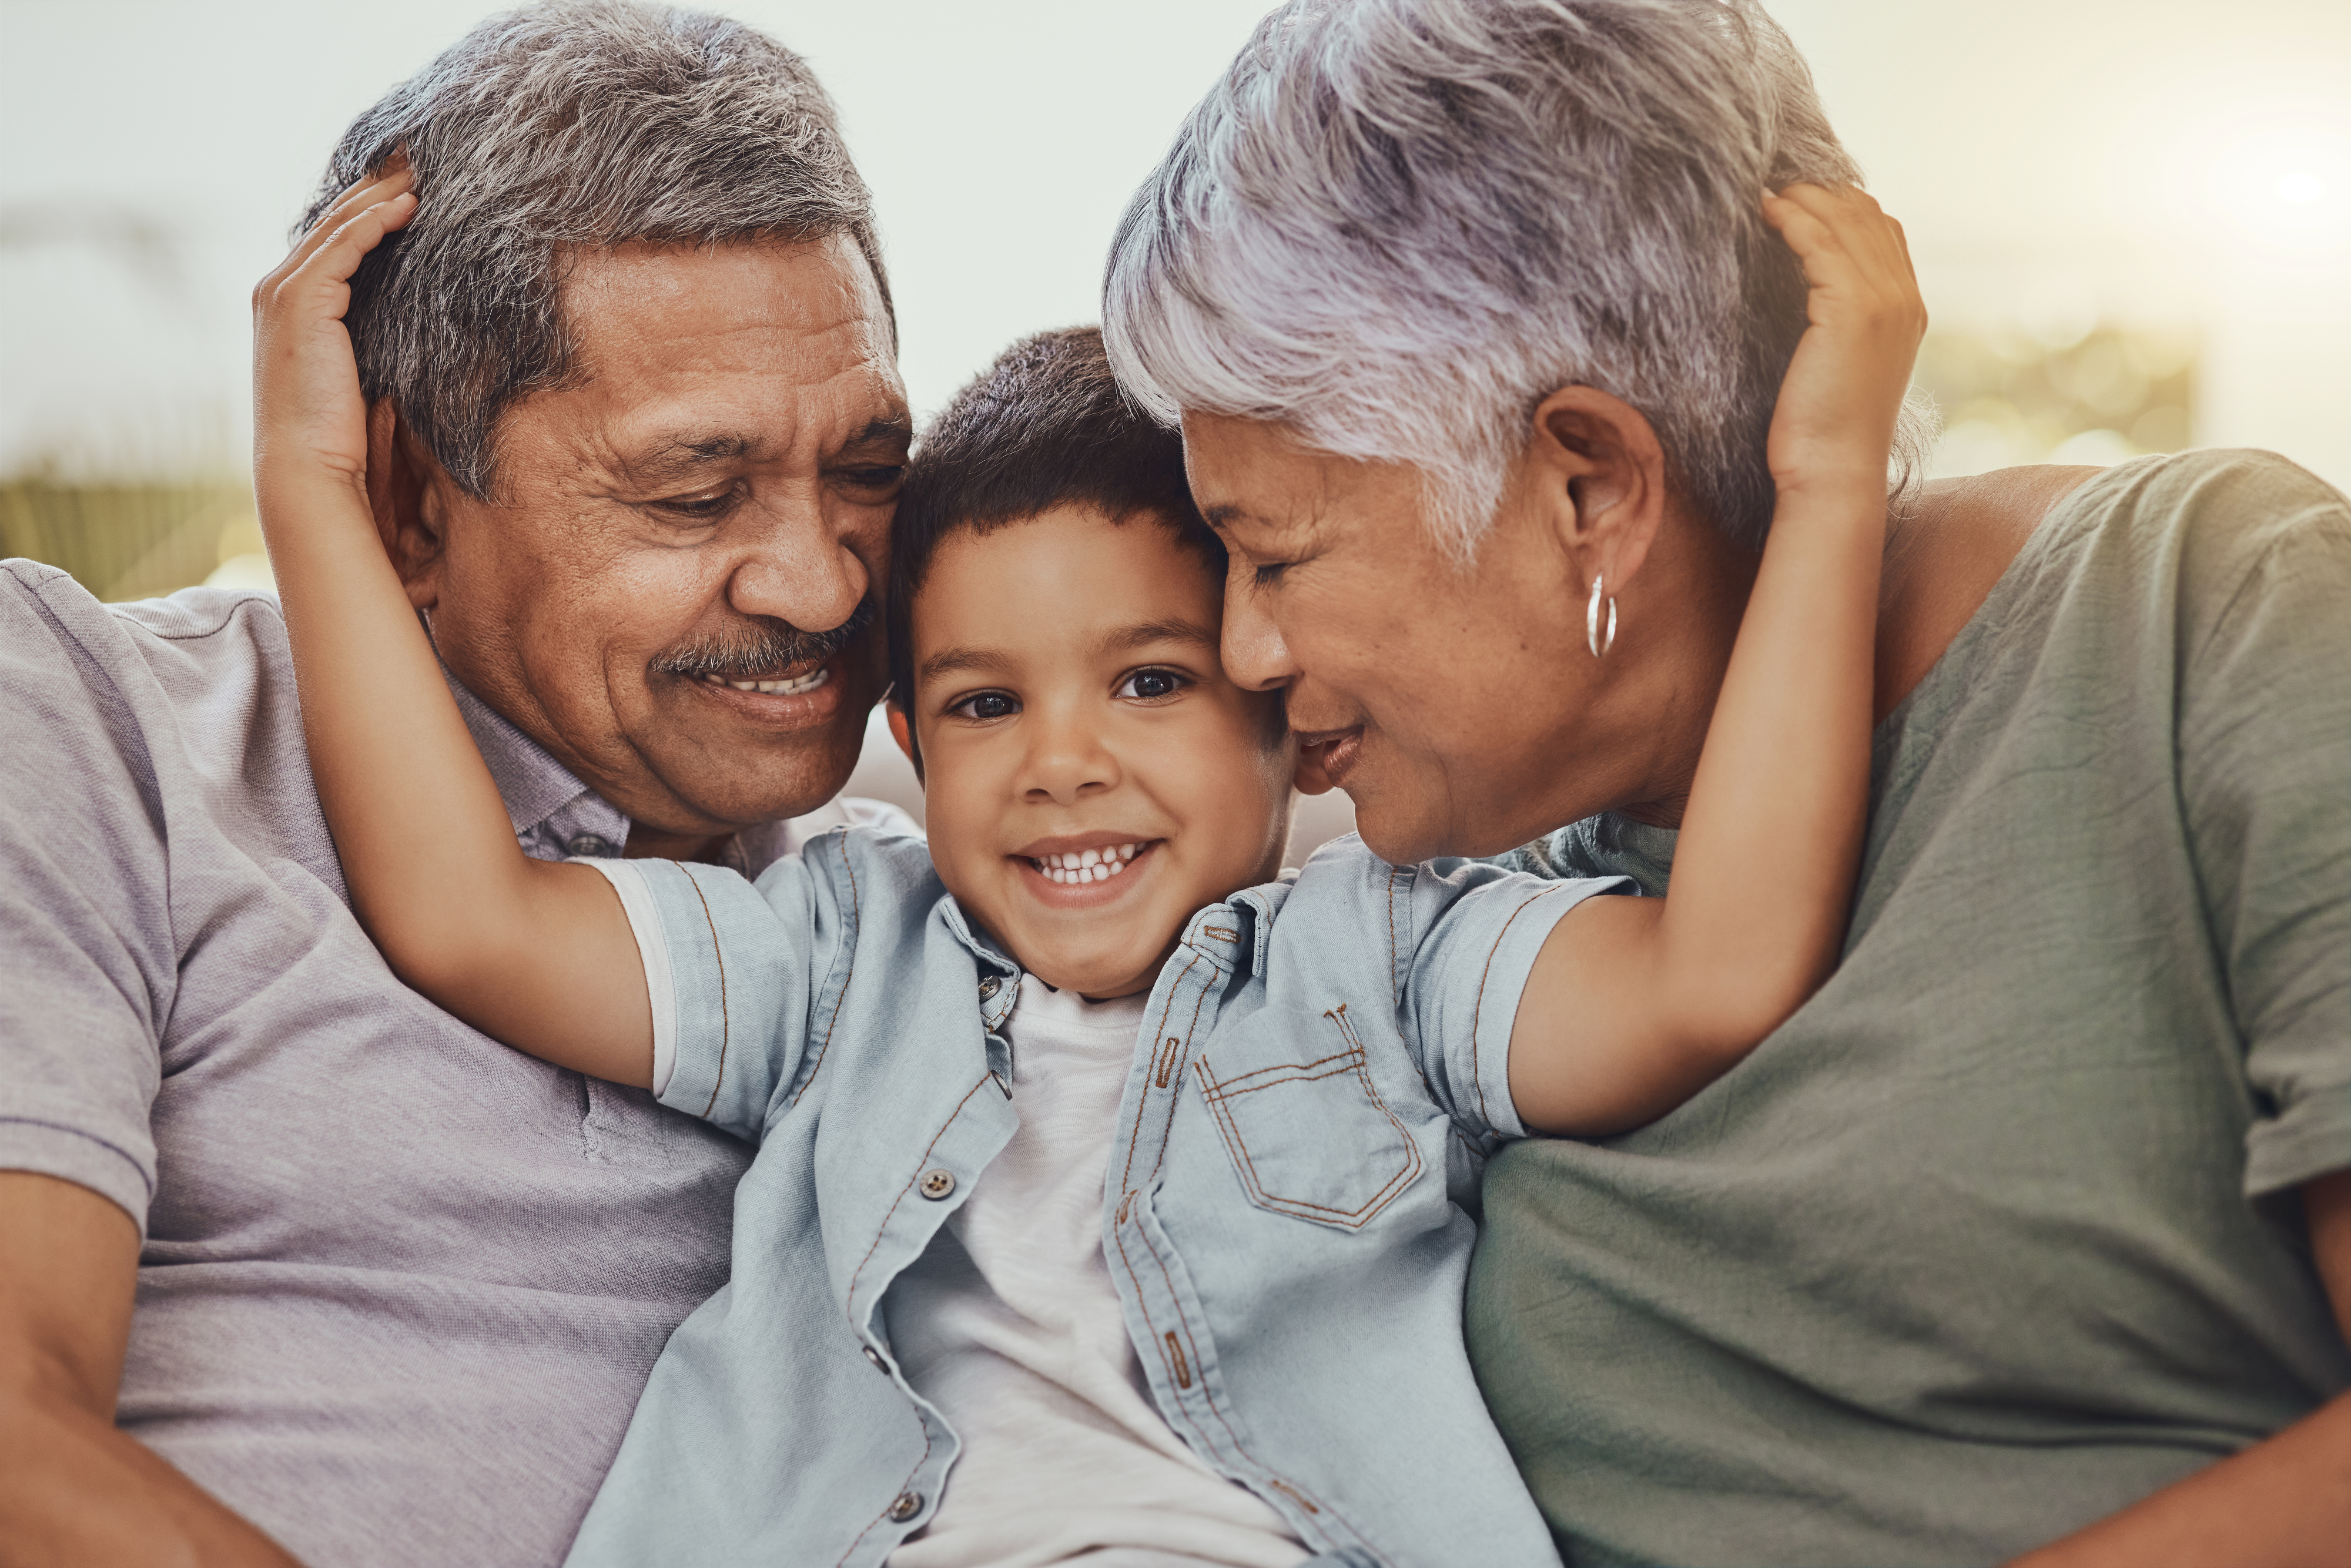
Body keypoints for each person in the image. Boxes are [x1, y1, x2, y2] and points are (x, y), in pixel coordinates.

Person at [250, 115, 1923, 1563]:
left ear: (1280, 703)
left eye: (1149, 681)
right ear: (910, 742)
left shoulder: (1394, 956)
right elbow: (468, 916)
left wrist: (1830, 488)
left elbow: (1714, 974)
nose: (1063, 766)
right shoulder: (841, 957)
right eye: (986, 704)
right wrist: (318, 488)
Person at [1101, 1, 2351, 1563]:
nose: (1245, 649)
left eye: (1276, 556)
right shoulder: (1448, 907)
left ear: (1590, 489)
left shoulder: (2206, 617)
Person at [0, 5, 910, 1564]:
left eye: (870, 473)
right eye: (698, 493)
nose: (824, 585)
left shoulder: (922, 919)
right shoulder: (96, 722)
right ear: (412, 506)